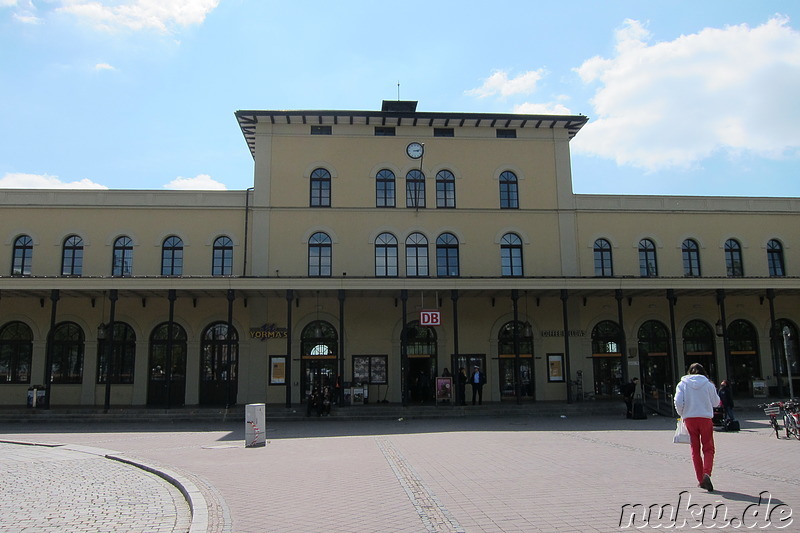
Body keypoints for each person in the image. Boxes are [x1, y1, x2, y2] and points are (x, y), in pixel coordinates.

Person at [674, 363, 720, 492]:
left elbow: (678, 401)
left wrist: (682, 412)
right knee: (708, 447)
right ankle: (707, 473)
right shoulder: (708, 384)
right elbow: (716, 402)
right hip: (705, 418)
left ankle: (700, 479)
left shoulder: (682, 384)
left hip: (689, 418)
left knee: (695, 449)